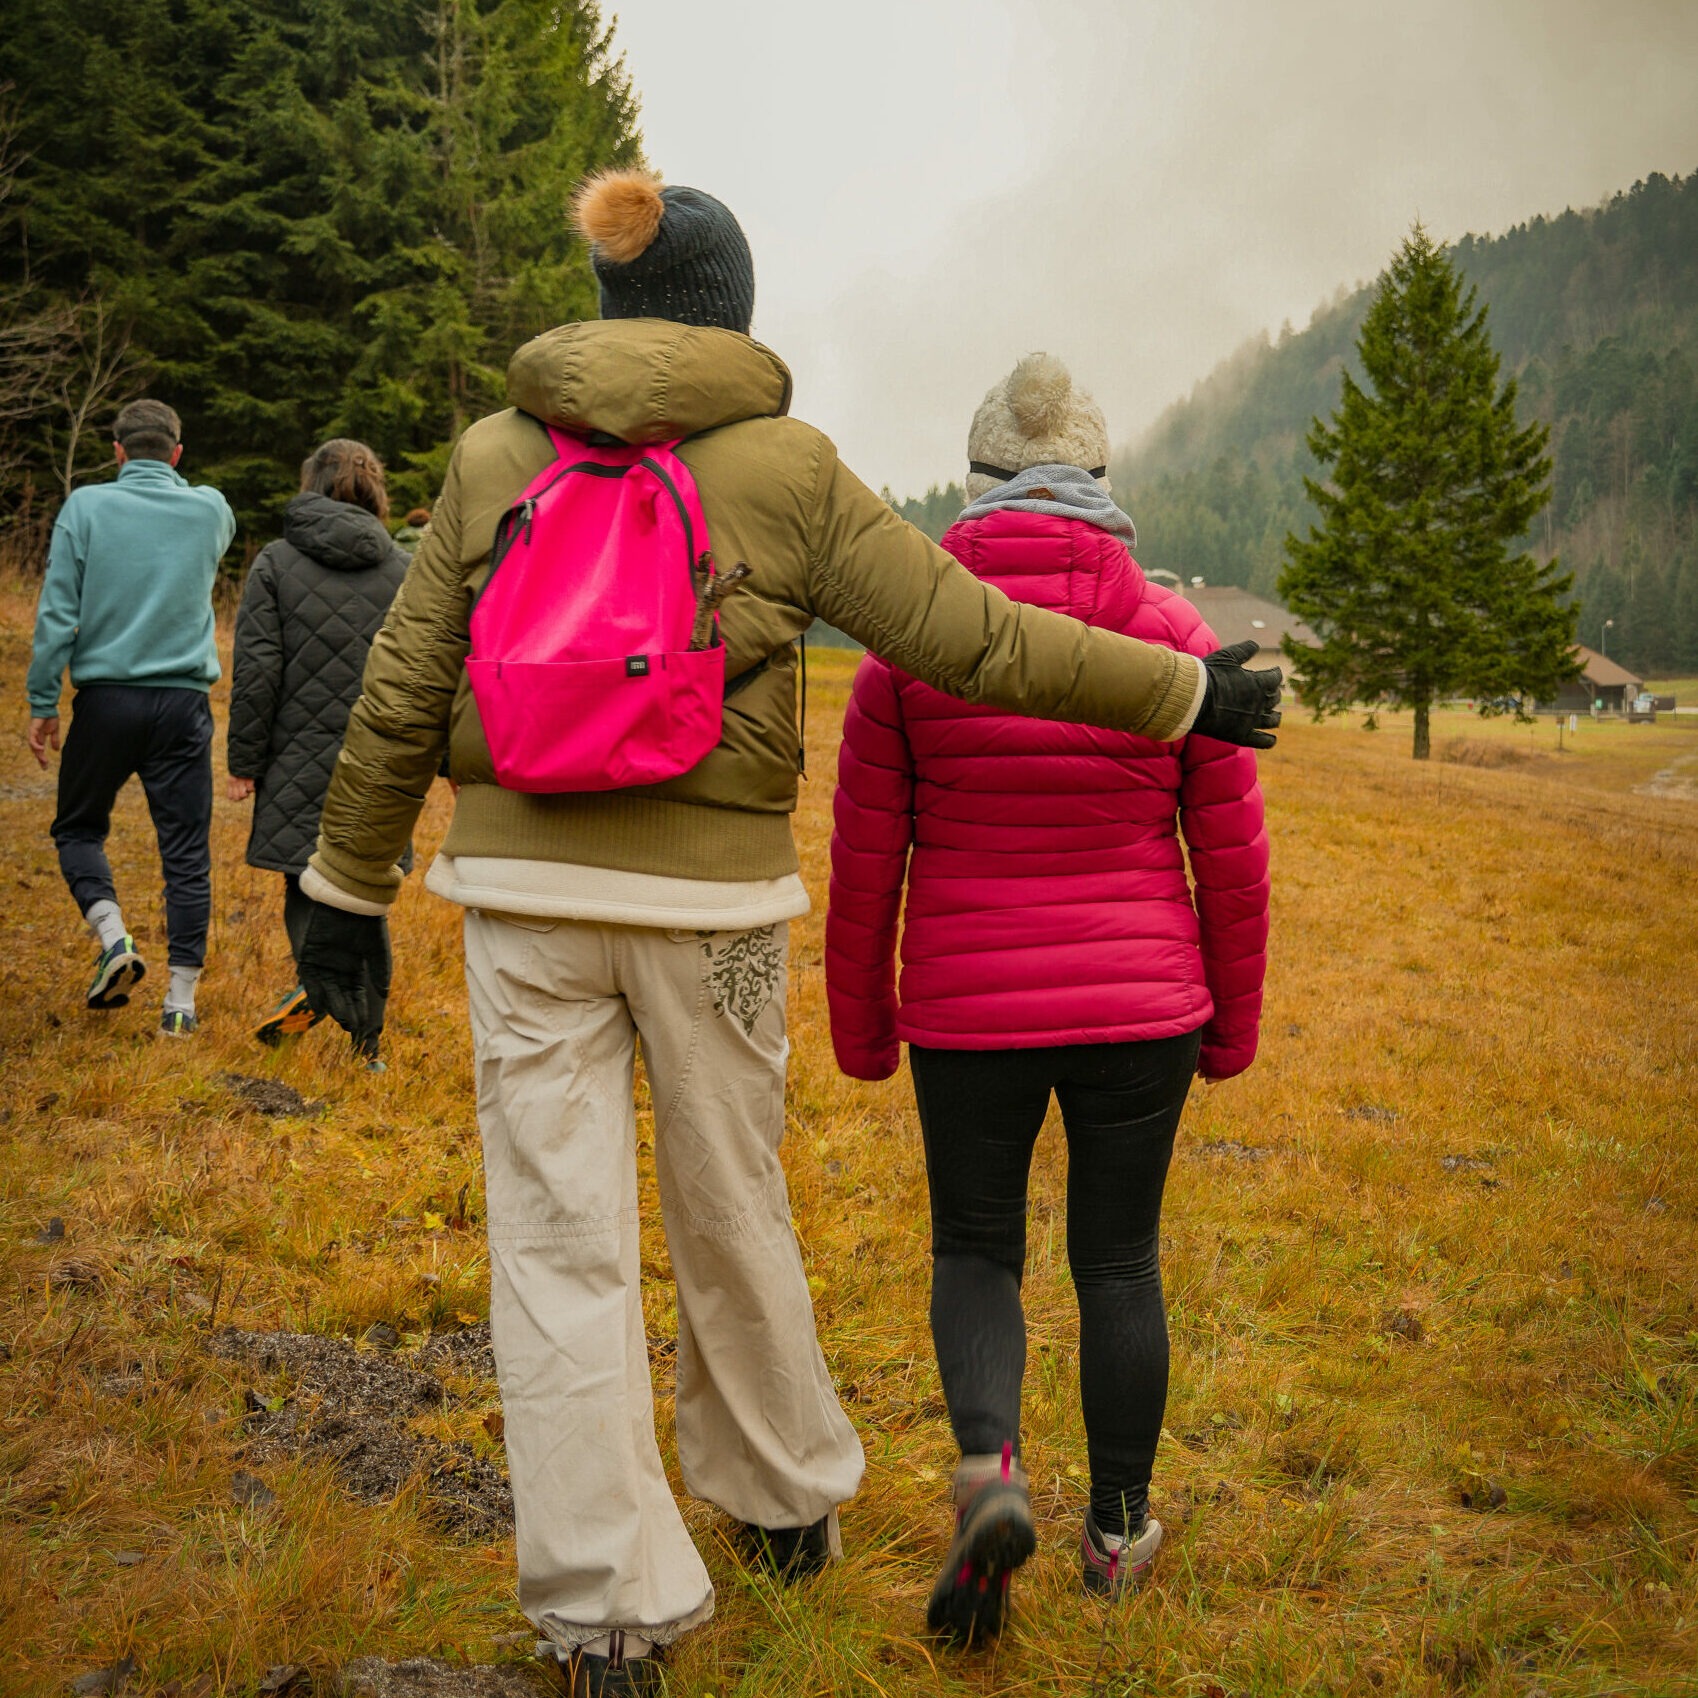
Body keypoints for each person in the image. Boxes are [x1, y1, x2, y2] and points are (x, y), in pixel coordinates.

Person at [292, 173, 1281, 1696]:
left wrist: (343, 888)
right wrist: (1181, 689)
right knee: (729, 1201)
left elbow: (410, 667)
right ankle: (774, 1499)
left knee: (558, 1245)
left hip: (520, 905)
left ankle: (604, 1611)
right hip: (715, 911)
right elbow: (977, 639)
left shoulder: (495, 452)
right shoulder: (790, 468)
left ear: (613, 305)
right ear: (731, 315)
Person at [825, 354, 1271, 1645]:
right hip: (1142, 1009)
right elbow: (1229, 862)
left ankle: (988, 1473)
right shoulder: (1182, 646)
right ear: (1104, 490)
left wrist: (864, 1029)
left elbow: (867, 859)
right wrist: (1227, 1025)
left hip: (968, 1013)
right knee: (1118, 1258)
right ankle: (1119, 1529)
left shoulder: (910, 646)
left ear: (974, 492)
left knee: (977, 1250)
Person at [25, 398, 236, 1036]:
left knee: (79, 830)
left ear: (117, 451)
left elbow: (58, 612)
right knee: (186, 855)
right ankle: (180, 1004)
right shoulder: (212, 509)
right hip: (182, 706)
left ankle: (115, 938)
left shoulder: (85, 508)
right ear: (177, 453)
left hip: (106, 700)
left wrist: (43, 700)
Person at [226, 439, 411, 1064]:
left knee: (306, 885)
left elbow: (257, 670)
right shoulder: (404, 569)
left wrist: (244, 762)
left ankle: (319, 991)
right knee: (363, 886)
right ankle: (368, 1039)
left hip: (294, 754)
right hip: (379, 758)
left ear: (312, 483)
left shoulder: (276, 561)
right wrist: (437, 764)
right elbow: (425, 670)